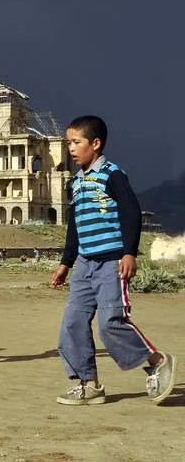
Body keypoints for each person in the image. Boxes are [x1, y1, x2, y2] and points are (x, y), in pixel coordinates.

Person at [50, 115, 176, 405]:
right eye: (69, 142)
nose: (70, 148)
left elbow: (131, 212)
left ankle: (157, 361)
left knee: (111, 323)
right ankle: (88, 384)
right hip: (84, 264)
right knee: (72, 323)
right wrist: (66, 263)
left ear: (95, 143)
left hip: (111, 263)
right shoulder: (77, 182)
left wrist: (129, 252)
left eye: (76, 142)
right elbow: (75, 227)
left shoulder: (112, 174)